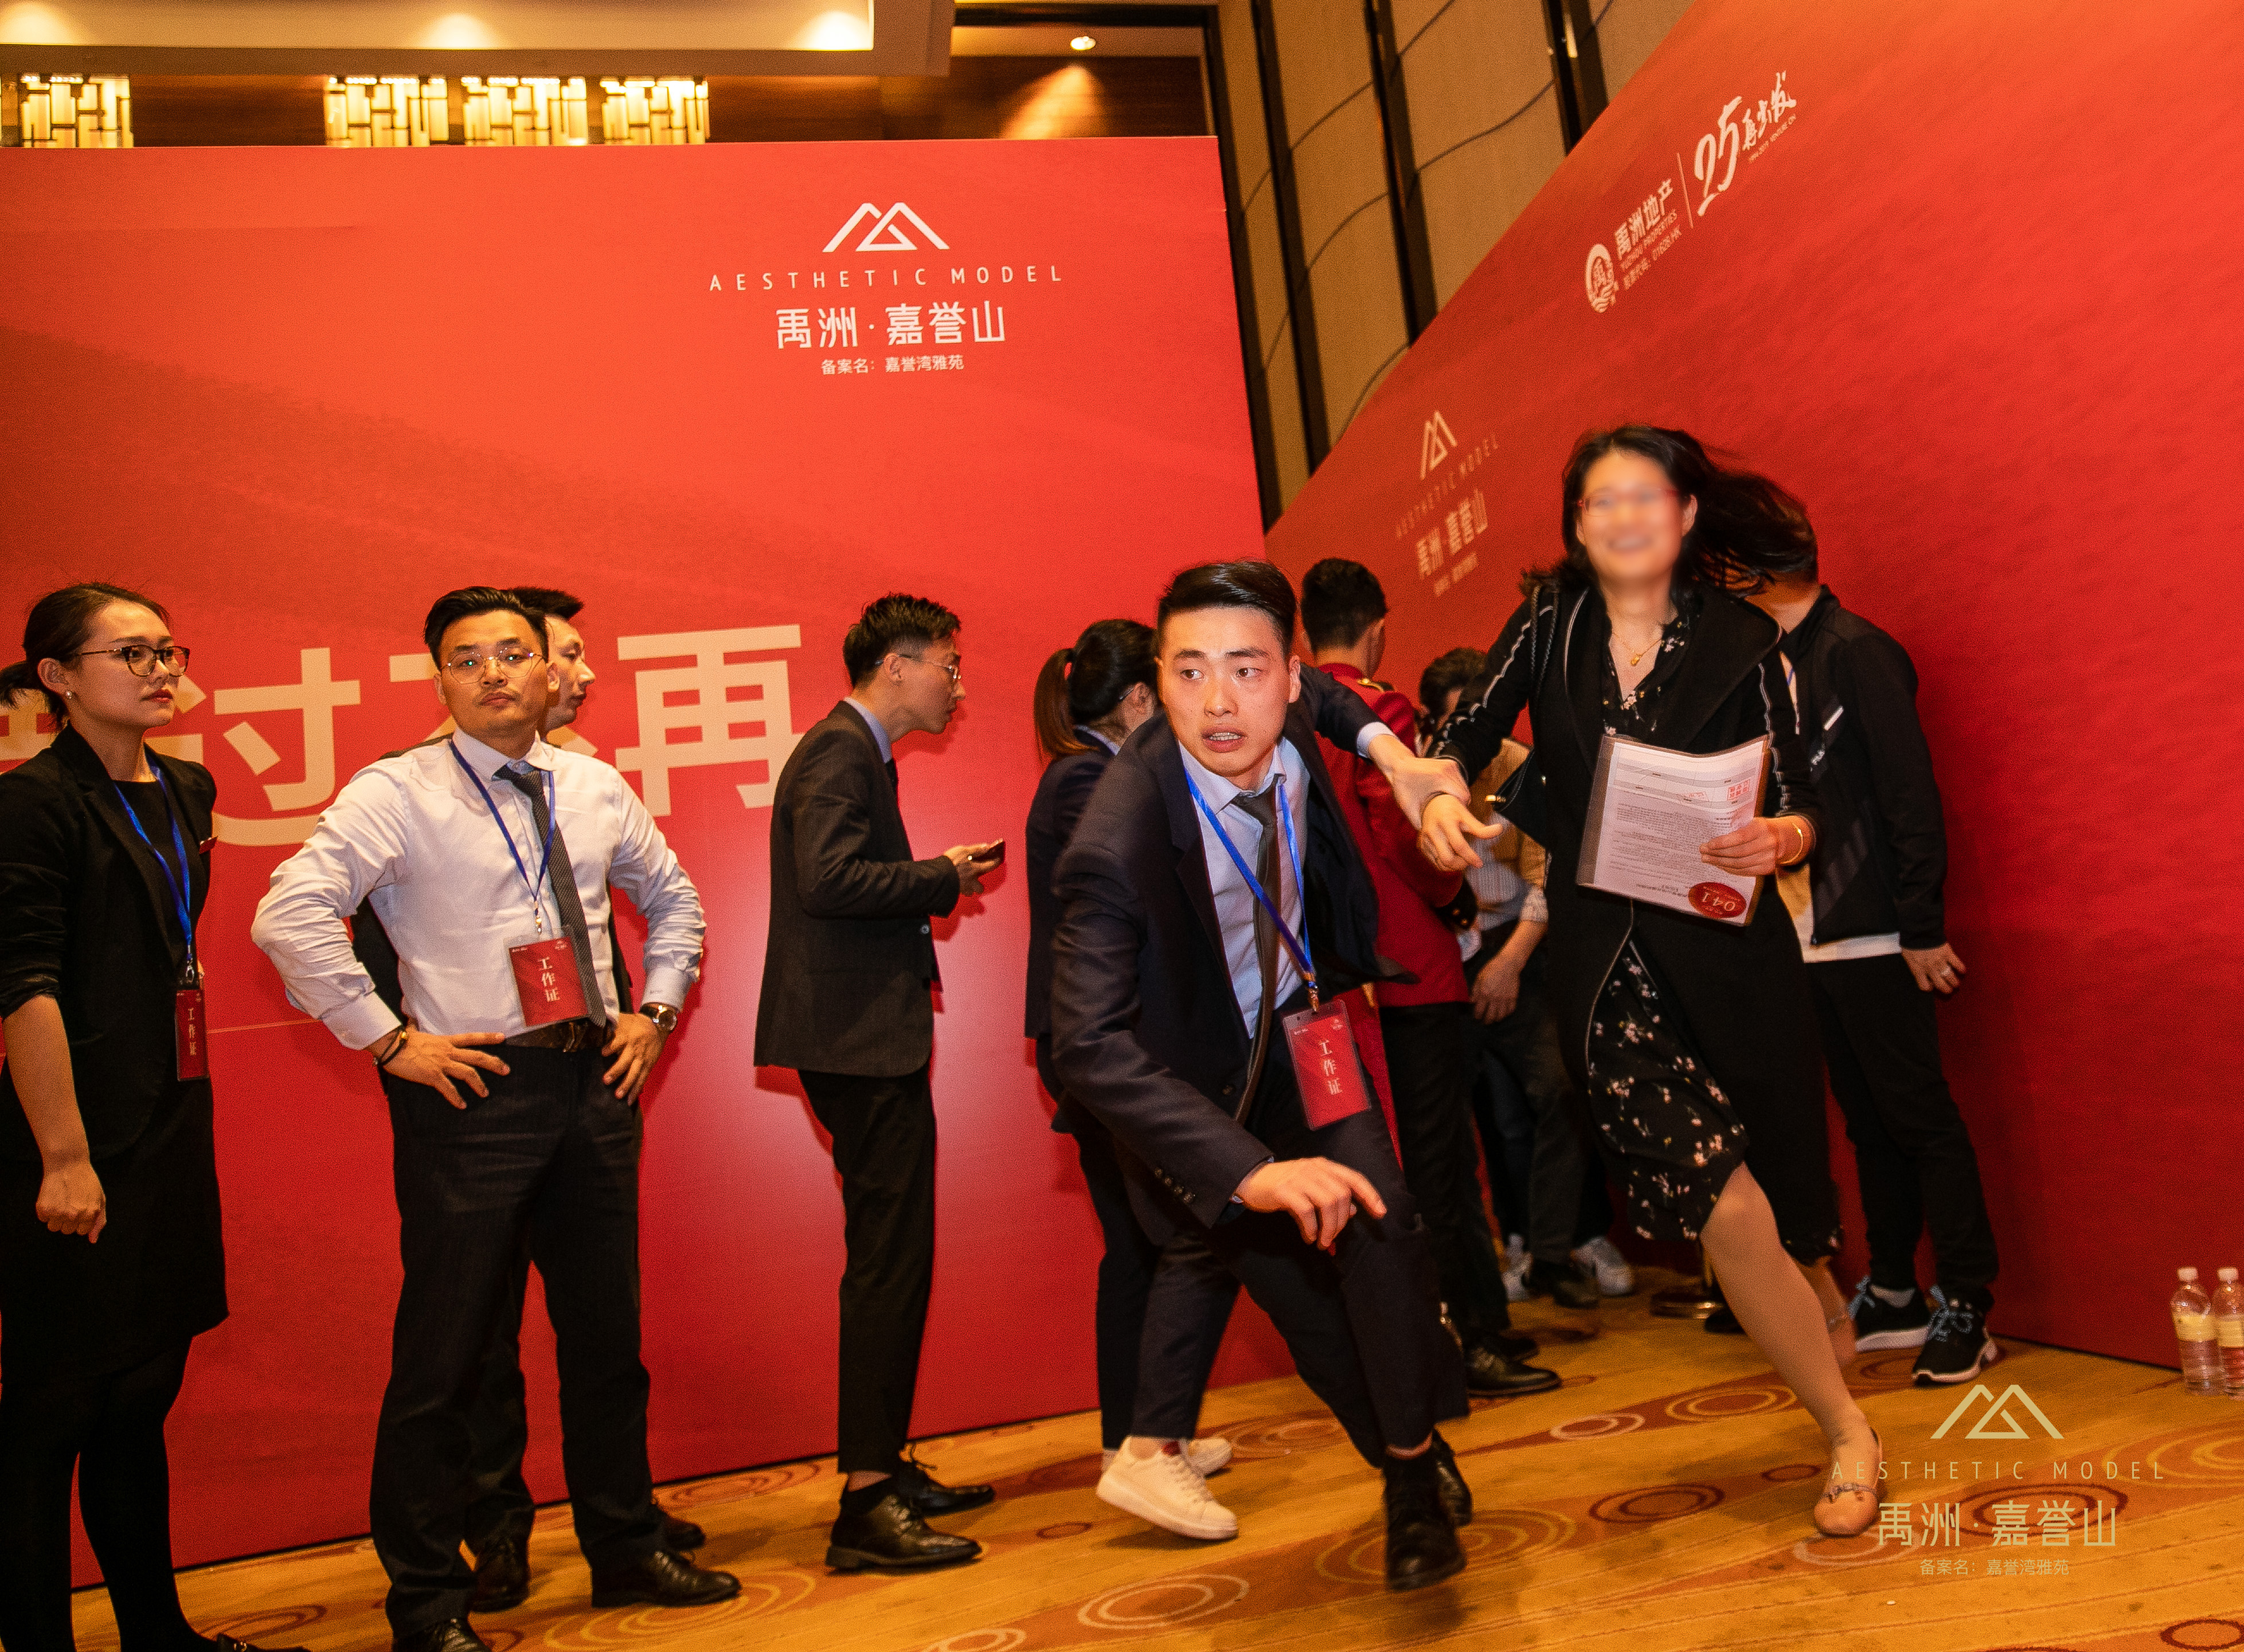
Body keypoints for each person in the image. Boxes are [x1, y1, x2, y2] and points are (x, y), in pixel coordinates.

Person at [1418, 426, 1882, 1537]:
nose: (1623, 516)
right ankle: (1847, 1432)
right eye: (1599, 500)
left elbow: (1809, 789)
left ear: (1683, 515)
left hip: (1726, 952)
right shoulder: (1550, 622)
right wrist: (1435, 791)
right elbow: (1463, 732)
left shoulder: (1747, 636)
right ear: (1576, 525)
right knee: (1717, 1194)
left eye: (1644, 496)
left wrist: (1785, 834)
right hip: (1603, 967)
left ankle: (1809, 1273)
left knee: (1781, 1194)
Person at [253, 587, 733, 1652]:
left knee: (606, 1341)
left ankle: (625, 1545)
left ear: (548, 668)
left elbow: (677, 901)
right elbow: (288, 913)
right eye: (467, 659)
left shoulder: (593, 784)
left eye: (513, 653)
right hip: (474, 1094)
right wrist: (388, 1039)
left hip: (593, 1084)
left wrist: (655, 1011)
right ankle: (427, 1603)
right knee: (446, 1359)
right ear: (440, 679)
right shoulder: (397, 790)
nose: (494, 674)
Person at [1053, 561, 1475, 1592]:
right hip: (1195, 1093)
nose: (1218, 702)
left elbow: (1334, 701)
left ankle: (1411, 1480)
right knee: (1309, 1313)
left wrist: (1393, 754)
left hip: (1302, 1035)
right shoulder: (1116, 832)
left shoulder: (1297, 711)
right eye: (1189, 672)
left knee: (1383, 1227)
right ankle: (1400, 1454)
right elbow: (1086, 1043)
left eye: (1245, 670)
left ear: (1288, 674)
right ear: (1157, 681)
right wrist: (1248, 1172)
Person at [0, 586, 302, 1652]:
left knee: (141, 1395)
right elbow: (24, 985)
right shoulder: (31, 803)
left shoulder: (187, 785)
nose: (161, 668)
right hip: (73, 1134)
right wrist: (63, 1156)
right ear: (58, 677)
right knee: (52, 1415)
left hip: (170, 1116)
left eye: (168, 649)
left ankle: (157, 1635)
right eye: (131, 653)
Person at [756, 593, 1004, 1574]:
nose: (957, 685)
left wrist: (935, 876)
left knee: (894, 1255)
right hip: (858, 1044)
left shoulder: (856, 751)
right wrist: (939, 875)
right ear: (895, 665)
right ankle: (865, 1502)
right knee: (888, 1262)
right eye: (948, 664)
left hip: (864, 1040)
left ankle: (883, 1465)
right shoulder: (837, 752)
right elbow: (827, 879)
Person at [1299, 560, 1557, 1391]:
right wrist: (1452, 894)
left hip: (1330, 979)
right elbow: (1409, 832)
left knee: (1377, 1160)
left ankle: (1469, 1324)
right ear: (1378, 628)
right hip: (1409, 967)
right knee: (1439, 1163)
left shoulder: (1290, 714)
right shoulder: (1379, 709)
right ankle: (1465, 1339)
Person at [1747, 566, 2000, 1385]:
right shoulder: (1773, 665)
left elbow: (1907, 792)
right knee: (1866, 1125)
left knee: (1919, 1118)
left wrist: (1920, 924)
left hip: (1876, 932)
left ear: (1751, 571)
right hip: (1807, 932)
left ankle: (1966, 1301)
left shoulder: (1854, 650)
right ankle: (1894, 1289)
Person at [1026, 621, 1242, 1521]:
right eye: (1178, 677)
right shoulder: (1087, 779)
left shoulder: (1088, 772)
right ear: (1139, 697)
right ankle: (1139, 1442)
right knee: (1160, 1241)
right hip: (1108, 1046)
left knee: (1150, 1243)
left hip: (1116, 1042)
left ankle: (1149, 1435)